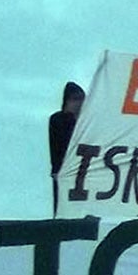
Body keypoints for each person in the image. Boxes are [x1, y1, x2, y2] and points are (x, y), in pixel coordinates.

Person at [48, 82, 85, 211]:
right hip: (64, 171)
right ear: (67, 101)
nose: (79, 103)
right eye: (75, 99)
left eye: (82, 99)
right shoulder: (58, 119)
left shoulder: (88, 123)